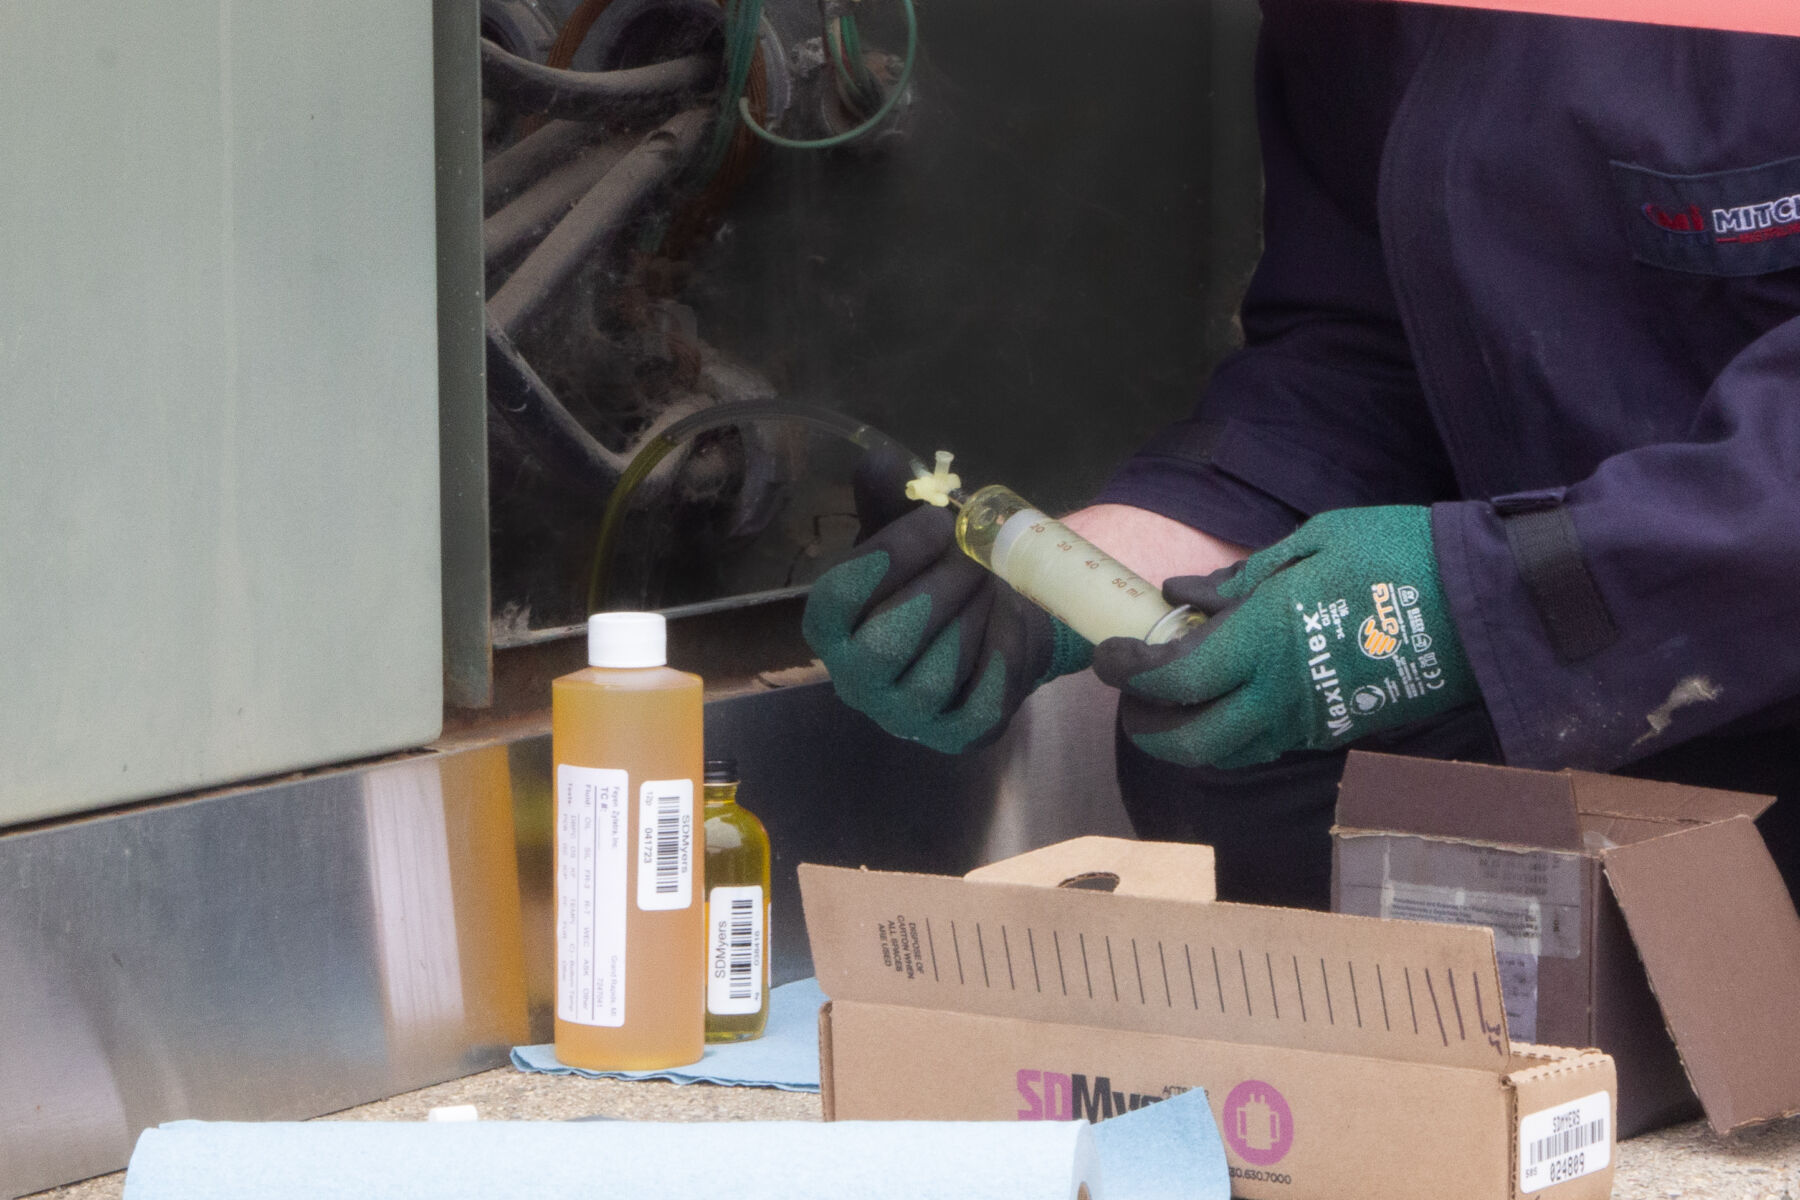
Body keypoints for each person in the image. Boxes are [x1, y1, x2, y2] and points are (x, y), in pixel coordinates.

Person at [802, 0, 1800, 909]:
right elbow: (1362, 358)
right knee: (1228, 759)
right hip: (1630, 690)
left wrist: (1476, 599)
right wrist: (1064, 585)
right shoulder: (1365, 26)